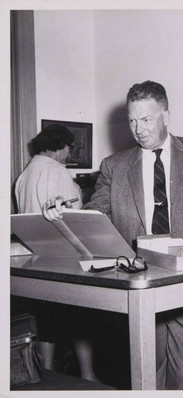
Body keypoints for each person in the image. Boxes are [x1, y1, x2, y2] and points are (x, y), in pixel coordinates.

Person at [42, 80, 183, 390]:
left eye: (146, 119)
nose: (138, 128)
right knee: (146, 379)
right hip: (140, 289)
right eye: (132, 120)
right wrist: (65, 212)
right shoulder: (114, 166)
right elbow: (95, 216)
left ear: (166, 116)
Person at [14, 124, 99, 382]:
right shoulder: (59, 174)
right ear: (58, 147)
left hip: (36, 259)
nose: (68, 156)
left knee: (46, 320)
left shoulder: (24, 175)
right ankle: (88, 376)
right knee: (80, 319)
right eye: (67, 149)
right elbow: (78, 219)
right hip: (66, 257)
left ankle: (47, 375)